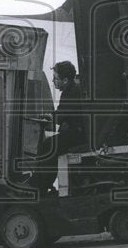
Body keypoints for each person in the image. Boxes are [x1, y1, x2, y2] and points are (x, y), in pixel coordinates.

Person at [30, 61, 87, 193]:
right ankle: (42, 182)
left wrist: (50, 117)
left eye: (56, 78)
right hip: (76, 131)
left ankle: (40, 185)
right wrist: (51, 115)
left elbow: (62, 115)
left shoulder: (71, 92)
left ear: (65, 80)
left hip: (77, 134)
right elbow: (63, 112)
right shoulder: (72, 89)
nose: (53, 80)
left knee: (47, 146)